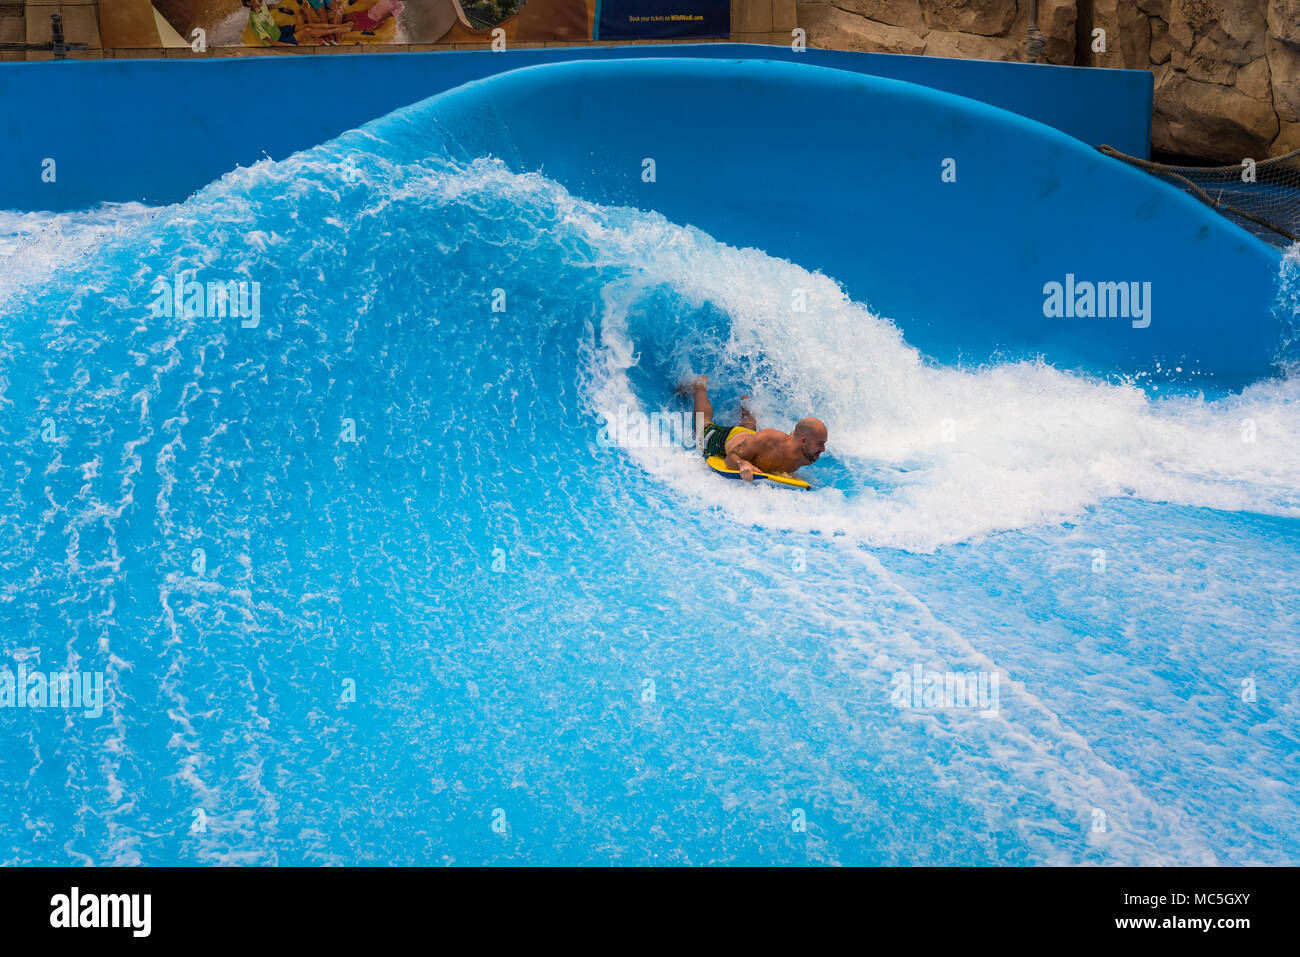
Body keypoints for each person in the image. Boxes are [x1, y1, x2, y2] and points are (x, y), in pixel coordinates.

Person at [689, 376, 827, 481]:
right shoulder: (769, 438)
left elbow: (793, 434)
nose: (823, 449)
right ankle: (699, 386)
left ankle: (746, 405)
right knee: (702, 428)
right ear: (803, 441)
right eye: (820, 443)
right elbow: (731, 457)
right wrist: (741, 464)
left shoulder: (806, 457)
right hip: (727, 440)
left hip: (749, 439)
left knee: (749, 430)